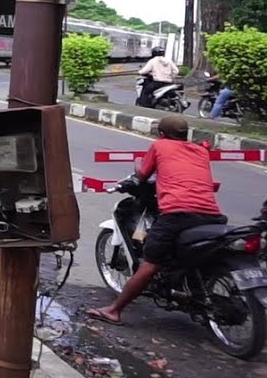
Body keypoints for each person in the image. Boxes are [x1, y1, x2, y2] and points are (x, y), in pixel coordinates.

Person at [87, 115, 225, 325]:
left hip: (177, 214)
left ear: (161, 134)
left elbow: (142, 175)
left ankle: (114, 310)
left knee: (151, 263)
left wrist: (136, 169)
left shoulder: (160, 146)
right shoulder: (200, 150)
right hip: (212, 215)